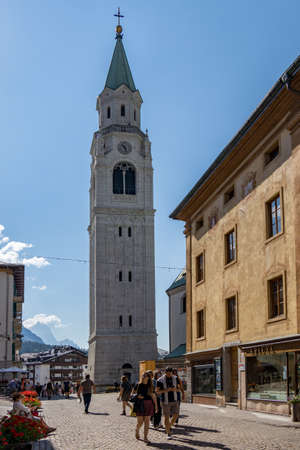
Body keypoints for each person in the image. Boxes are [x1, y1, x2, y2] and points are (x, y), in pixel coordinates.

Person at [156, 367, 181, 440]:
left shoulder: (176, 378)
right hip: (165, 401)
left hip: (175, 399)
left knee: (176, 415)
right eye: (168, 373)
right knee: (166, 417)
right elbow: (157, 391)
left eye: (170, 373)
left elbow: (179, 388)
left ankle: (169, 426)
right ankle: (168, 433)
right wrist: (166, 390)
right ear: (165, 372)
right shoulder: (160, 380)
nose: (169, 375)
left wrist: (175, 389)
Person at [134, 372, 158, 444]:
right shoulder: (138, 385)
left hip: (149, 404)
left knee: (147, 422)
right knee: (140, 422)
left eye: (146, 376)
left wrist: (156, 406)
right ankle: (137, 430)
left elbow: (153, 396)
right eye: (143, 375)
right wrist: (137, 396)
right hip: (139, 404)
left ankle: (145, 438)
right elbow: (132, 394)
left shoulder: (150, 386)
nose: (144, 376)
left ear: (148, 377)